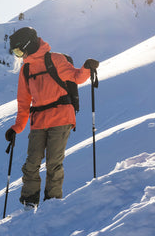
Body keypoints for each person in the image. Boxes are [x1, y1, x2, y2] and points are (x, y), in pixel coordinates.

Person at [5, 27, 99, 208]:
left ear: (28, 45)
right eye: (16, 53)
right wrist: (16, 128)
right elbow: (24, 104)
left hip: (61, 117)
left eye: (18, 50)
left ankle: (51, 206)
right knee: (31, 164)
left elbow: (76, 77)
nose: (19, 55)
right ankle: (29, 205)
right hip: (39, 120)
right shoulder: (26, 70)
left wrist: (87, 68)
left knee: (53, 163)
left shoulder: (55, 60)